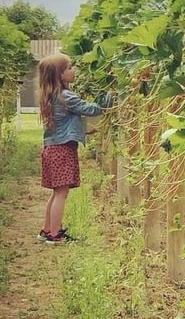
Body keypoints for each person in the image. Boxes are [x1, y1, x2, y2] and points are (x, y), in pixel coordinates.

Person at [36, 52, 112, 245]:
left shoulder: (51, 96)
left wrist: (84, 131)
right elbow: (92, 109)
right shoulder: (66, 97)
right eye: (69, 67)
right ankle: (55, 235)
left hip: (52, 149)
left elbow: (62, 125)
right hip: (62, 150)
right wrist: (110, 94)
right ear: (60, 75)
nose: (73, 70)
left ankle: (47, 231)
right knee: (62, 193)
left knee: (56, 192)